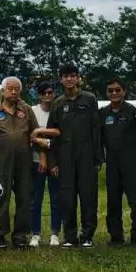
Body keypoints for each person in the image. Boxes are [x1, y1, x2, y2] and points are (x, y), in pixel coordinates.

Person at [0, 76, 47, 249]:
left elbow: (36, 133)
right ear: (3, 91)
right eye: (10, 88)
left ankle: (20, 235)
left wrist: (42, 156)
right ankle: (0, 234)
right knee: (2, 196)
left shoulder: (26, 109)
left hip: (24, 161)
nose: (14, 91)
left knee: (25, 197)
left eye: (17, 88)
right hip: (1, 161)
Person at [46, 63, 104, 247]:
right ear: (61, 79)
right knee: (67, 198)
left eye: (72, 75)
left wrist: (98, 157)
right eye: (65, 76)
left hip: (86, 154)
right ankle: (70, 237)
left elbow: (96, 129)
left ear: (78, 78)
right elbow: (51, 133)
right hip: (64, 156)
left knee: (88, 196)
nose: (69, 79)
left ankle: (87, 235)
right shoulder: (58, 103)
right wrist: (53, 161)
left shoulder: (89, 99)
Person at [101, 78, 136, 245]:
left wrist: (130, 151)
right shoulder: (103, 113)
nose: (114, 93)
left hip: (131, 163)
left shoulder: (134, 112)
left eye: (117, 90)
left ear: (124, 91)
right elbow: (99, 138)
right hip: (112, 164)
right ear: (107, 93)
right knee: (113, 202)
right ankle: (116, 237)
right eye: (110, 90)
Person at [29, 79, 62, 247]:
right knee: (35, 199)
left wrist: (43, 138)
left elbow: (60, 135)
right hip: (36, 161)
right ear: (39, 96)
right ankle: (35, 233)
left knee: (56, 197)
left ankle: (55, 233)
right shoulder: (32, 111)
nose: (48, 96)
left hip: (56, 161)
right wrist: (42, 152)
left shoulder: (59, 110)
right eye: (44, 93)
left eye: (50, 92)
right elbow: (30, 136)